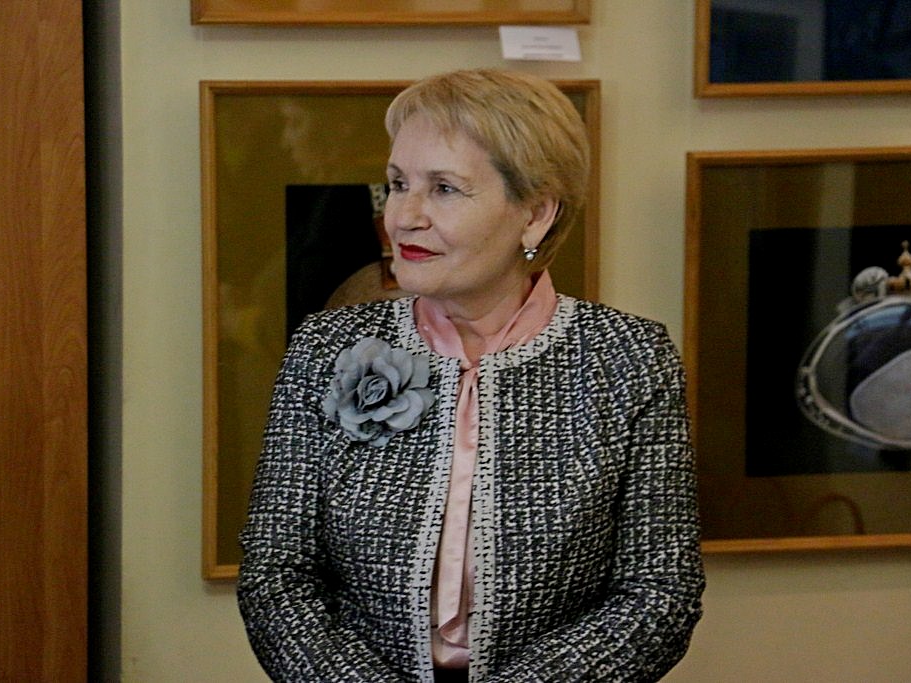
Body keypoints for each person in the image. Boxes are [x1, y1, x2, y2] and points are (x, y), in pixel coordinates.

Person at [237, 68, 705, 682]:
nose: (404, 216)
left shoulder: (628, 358)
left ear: (535, 214)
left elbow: (659, 593)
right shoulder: (326, 347)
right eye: (398, 184)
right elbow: (276, 574)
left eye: (444, 189)